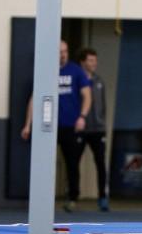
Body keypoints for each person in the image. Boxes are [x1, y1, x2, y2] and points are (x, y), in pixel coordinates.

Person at [20, 40, 92, 212]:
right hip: (48, 128)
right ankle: (42, 199)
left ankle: (72, 197)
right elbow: (34, 99)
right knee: (44, 164)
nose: (63, 55)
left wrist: (82, 116)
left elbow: (87, 96)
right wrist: (27, 125)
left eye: (65, 51)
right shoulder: (45, 71)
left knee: (72, 163)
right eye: (60, 52)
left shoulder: (76, 71)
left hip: (70, 126)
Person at [76, 48, 109, 212]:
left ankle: (102, 196)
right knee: (73, 162)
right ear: (83, 62)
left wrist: (102, 124)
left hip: (98, 130)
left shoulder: (99, 81)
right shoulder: (77, 79)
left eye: (95, 61)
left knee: (101, 163)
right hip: (81, 129)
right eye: (90, 60)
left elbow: (103, 106)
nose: (93, 64)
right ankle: (72, 196)